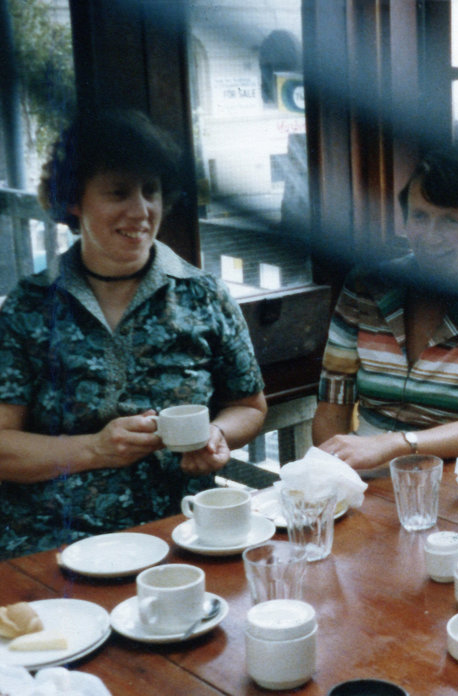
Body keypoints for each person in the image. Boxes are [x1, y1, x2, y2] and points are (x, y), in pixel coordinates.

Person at [0, 109, 267, 559]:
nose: (141, 211)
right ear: (73, 200)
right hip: (53, 542)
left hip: (184, 528)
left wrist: (218, 436)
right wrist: (96, 450)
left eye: (151, 191)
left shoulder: (202, 295)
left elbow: (248, 405)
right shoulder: (29, 306)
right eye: (118, 192)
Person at [311, 147, 458, 470]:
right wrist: (337, 479)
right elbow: (330, 412)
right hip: (361, 473)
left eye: (451, 220)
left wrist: (395, 445)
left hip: (451, 476)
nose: (432, 237)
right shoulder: (365, 286)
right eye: (420, 216)